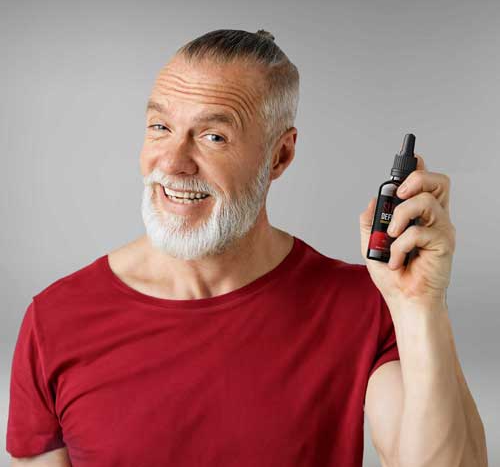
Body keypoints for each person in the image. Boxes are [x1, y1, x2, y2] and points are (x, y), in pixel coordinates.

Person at [6, 29, 487, 467]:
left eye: (213, 136)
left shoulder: (365, 306)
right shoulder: (55, 320)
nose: (173, 163)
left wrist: (420, 306)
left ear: (280, 155)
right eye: (160, 128)